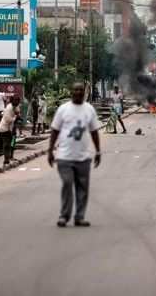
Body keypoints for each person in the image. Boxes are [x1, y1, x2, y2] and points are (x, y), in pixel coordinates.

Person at [48, 82, 101, 227]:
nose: (78, 92)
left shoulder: (89, 109)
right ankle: (64, 216)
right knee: (67, 183)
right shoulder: (63, 109)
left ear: (84, 92)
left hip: (83, 157)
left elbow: (94, 131)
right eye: (75, 89)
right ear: (71, 91)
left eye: (80, 90)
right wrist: (50, 151)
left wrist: (98, 151)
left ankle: (79, 216)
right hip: (64, 156)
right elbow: (55, 130)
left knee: (82, 187)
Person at [0, 95, 20, 169]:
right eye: (15, 100)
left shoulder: (14, 106)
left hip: (4, 128)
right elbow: (8, 119)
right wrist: (16, 117)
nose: (17, 102)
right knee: (6, 146)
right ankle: (6, 161)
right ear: (12, 100)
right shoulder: (9, 108)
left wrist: (17, 114)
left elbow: (18, 111)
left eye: (18, 100)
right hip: (5, 129)